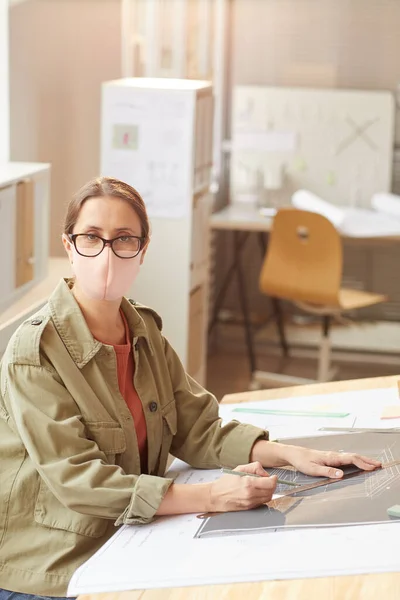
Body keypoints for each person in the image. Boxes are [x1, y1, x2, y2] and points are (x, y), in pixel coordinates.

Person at [0, 177, 380, 599]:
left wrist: (289, 454)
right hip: (54, 567)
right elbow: (79, 481)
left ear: (142, 250)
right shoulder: (34, 352)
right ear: (69, 246)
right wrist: (213, 496)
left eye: (124, 239)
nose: (107, 252)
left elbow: (196, 428)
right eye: (92, 236)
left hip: (126, 540)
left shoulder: (143, 329)